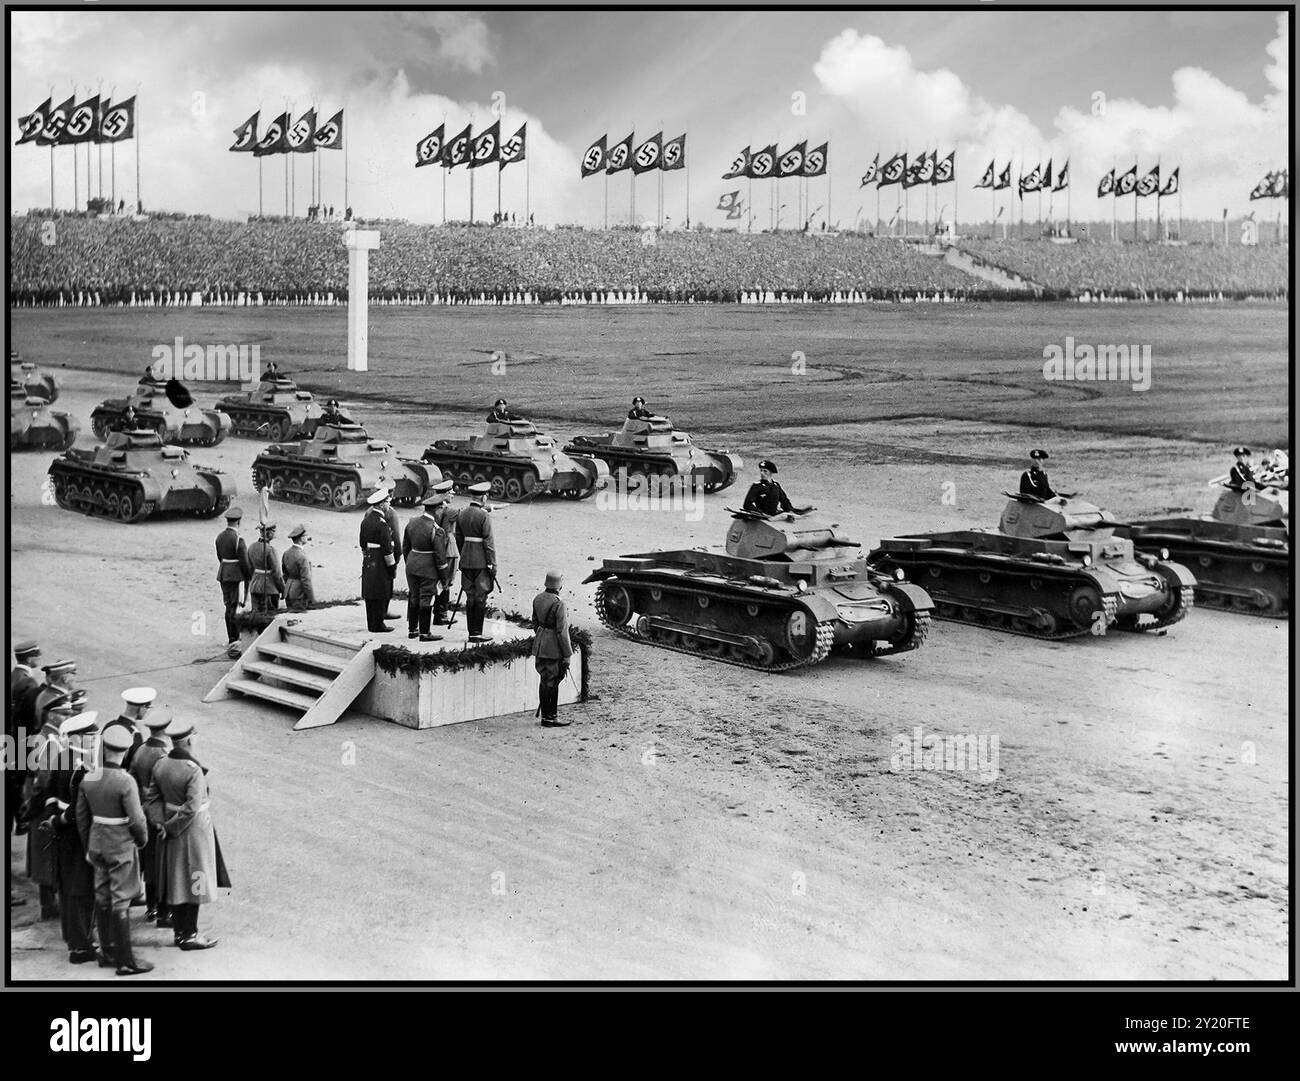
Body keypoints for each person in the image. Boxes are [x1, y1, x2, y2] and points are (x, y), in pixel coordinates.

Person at [76, 722, 153, 976]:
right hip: (120, 846)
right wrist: (141, 841)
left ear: (104, 748)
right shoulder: (125, 781)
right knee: (121, 901)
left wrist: (89, 844)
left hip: (97, 844)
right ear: (125, 749)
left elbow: (82, 816)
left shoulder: (89, 777)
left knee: (103, 896)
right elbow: (138, 820)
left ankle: (107, 951)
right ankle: (125, 960)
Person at [144, 716, 223, 952]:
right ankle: (189, 935)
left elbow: (152, 798)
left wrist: (160, 823)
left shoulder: (161, 763)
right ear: (188, 741)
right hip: (192, 833)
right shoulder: (193, 770)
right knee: (195, 882)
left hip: (170, 828)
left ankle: (180, 931)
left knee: (176, 881)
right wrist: (171, 827)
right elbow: (191, 807)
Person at [43, 711, 100, 964]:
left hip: (62, 836)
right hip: (78, 836)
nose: (94, 739)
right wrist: (59, 820)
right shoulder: (81, 768)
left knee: (68, 890)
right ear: (76, 738)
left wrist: (52, 819)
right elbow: (79, 813)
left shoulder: (62, 758)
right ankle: (81, 946)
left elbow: (49, 796)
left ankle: (76, 943)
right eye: (90, 735)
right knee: (81, 891)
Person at [129, 712, 173, 926]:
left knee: (149, 862)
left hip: (144, 812)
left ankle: (151, 909)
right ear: (165, 730)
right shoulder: (164, 754)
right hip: (161, 814)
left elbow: (132, 777)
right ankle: (165, 913)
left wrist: (142, 796)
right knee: (162, 865)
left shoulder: (141, 750)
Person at [8, 640, 42, 903]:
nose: (38, 658)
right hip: (17, 750)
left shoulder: (13, 677)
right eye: (36, 655)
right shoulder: (28, 685)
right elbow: (25, 727)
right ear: (29, 658)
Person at [403, 494, 456, 642]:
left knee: (414, 597)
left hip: (412, 565)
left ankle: (412, 630)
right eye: (441, 508)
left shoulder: (412, 522)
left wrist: (410, 562)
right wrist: (445, 578)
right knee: (427, 599)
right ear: (437, 510)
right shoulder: (436, 530)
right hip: (428, 569)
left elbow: (405, 547)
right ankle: (425, 633)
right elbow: (440, 559)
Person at [455, 482, 497, 641]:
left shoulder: (462, 513)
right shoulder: (483, 515)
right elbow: (489, 543)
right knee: (480, 597)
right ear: (483, 497)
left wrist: (464, 553)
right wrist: (492, 564)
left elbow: (458, 538)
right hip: (480, 562)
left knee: (470, 596)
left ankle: (471, 632)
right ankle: (476, 633)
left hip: (466, 561)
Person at [531, 570, 573, 728]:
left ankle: (545, 716)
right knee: (553, 682)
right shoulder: (559, 603)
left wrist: (542, 636)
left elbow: (534, 622)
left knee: (544, 680)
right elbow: (562, 631)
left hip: (540, 644)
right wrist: (567, 654)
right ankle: (551, 717)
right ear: (559, 585)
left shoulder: (538, 598)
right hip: (553, 648)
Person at [215, 507, 252, 658]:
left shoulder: (219, 537)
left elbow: (219, 556)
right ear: (239, 522)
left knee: (228, 606)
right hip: (236, 576)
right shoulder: (239, 540)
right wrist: (249, 576)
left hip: (223, 574)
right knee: (236, 607)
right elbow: (245, 563)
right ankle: (235, 640)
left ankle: (231, 638)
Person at [360, 488, 398, 633]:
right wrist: (392, 568)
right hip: (380, 561)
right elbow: (388, 550)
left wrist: (368, 557)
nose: (389, 505)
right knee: (381, 592)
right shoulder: (382, 524)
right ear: (381, 504)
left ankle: (371, 624)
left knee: (370, 593)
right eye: (387, 502)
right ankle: (379, 624)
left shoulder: (366, 521)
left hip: (369, 560)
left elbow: (362, 544)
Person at [102, 686, 153, 772]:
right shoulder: (135, 735)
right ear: (141, 708)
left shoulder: (109, 725)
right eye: (147, 708)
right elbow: (134, 765)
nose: (147, 711)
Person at [430, 480, 460, 623]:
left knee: (438, 580)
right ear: (445, 494)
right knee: (446, 581)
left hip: (436, 548)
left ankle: (438, 612)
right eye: (451, 492)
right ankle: (441, 615)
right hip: (448, 548)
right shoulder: (449, 511)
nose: (453, 494)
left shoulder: (435, 509)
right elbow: (467, 512)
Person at [248, 521, 285, 614]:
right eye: (274, 531)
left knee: (256, 618)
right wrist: (283, 589)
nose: (275, 534)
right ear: (270, 533)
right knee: (269, 618)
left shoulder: (251, 547)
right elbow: (277, 573)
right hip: (269, 588)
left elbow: (249, 568)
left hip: (254, 586)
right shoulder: (270, 549)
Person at [282, 525, 314, 611]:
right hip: (299, 592)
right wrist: (311, 599)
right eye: (305, 536)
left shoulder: (286, 553)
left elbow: (285, 574)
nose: (307, 537)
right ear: (300, 538)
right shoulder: (302, 556)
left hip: (288, 590)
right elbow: (306, 579)